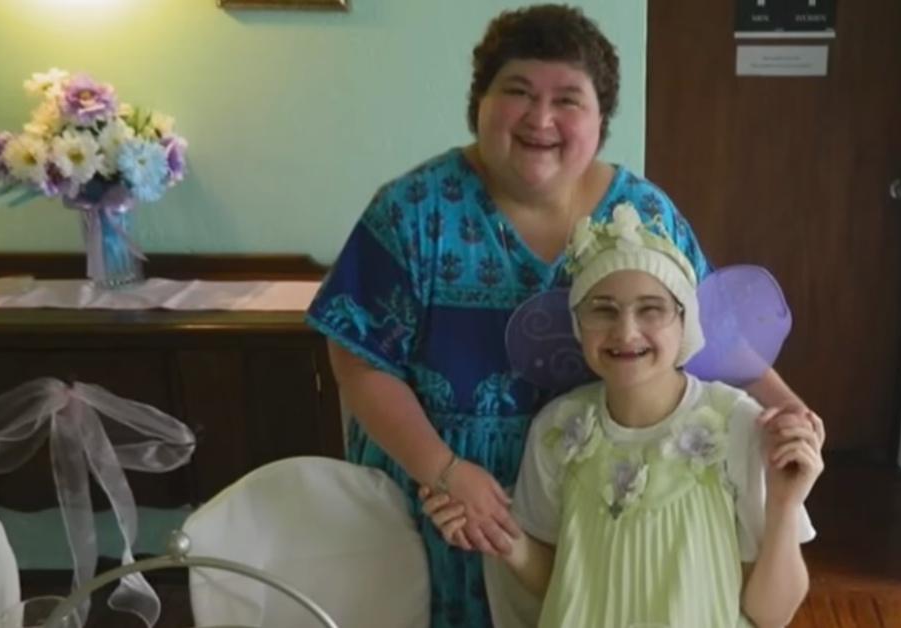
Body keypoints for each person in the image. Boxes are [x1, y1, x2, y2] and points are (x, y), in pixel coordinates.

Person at [306, 5, 817, 626]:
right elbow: (359, 358)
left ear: (601, 120)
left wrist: (786, 409)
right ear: (480, 103)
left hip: (587, 505)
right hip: (439, 497)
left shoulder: (642, 212)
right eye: (516, 91)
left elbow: (704, 329)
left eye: (568, 100)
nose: (540, 119)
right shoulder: (414, 211)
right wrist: (442, 470)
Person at [424, 204, 825, 627]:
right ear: (578, 325)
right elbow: (559, 586)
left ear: (685, 321)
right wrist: (504, 539)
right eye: (603, 309)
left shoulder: (735, 424)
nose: (626, 331)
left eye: (651, 309)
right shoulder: (558, 429)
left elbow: (773, 613)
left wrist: (784, 504)